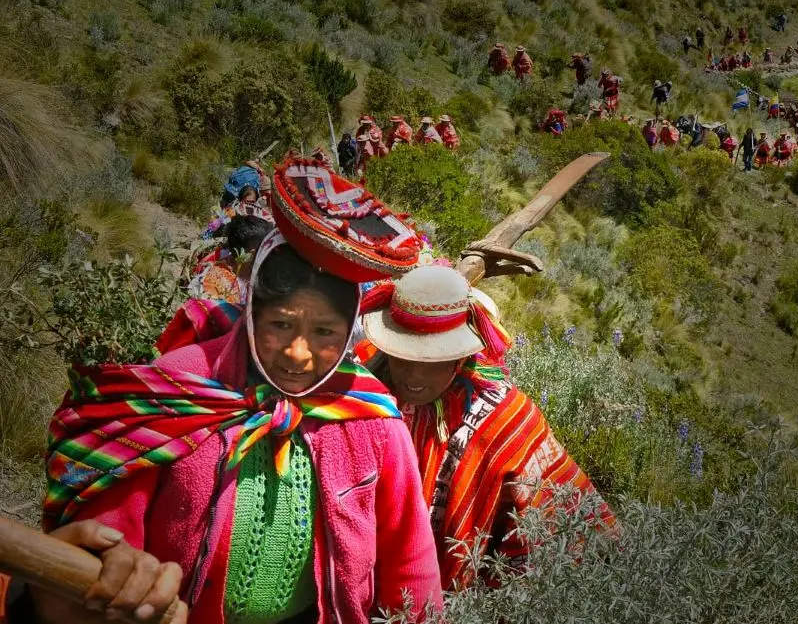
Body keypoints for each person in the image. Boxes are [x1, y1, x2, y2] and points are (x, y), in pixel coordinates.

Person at [26, 163, 443, 624]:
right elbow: (111, 537)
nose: (299, 353)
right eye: (280, 324)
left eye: (325, 332)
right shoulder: (181, 388)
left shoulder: (370, 417)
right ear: (250, 315)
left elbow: (411, 560)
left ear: (349, 336)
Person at [357, 265, 613, 589]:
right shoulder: (373, 392)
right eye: (402, 356)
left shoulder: (505, 418)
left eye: (431, 360)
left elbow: (563, 517)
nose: (413, 375)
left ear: (459, 358)